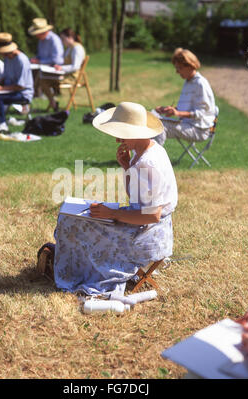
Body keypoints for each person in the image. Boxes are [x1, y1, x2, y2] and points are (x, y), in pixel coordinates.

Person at [37, 102, 178, 296]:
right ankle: (69, 263)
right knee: (72, 215)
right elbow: (136, 196)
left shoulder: (149, 163)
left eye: (121, 133)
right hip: (142, 225)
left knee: (75, 222)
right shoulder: (146, 151)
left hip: (147, 236)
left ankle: (70, 270)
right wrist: (127, 167)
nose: (117, 140)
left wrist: (112, 213)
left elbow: (153, 215)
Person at [154, 48, 217, 147]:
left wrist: (178, 113)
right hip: (187, 125)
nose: (177, 72)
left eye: (179, 68)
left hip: (199, 130)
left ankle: (153, 159)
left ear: (190, 65)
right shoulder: (188, 82)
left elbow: (202, 112)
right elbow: (184, 109)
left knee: (160, 127)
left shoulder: (200, 83)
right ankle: (140, 157)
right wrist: (168, 110)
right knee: (152, 120)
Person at [40, 28, 86, 111]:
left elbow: (75, 67)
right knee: (42, 78)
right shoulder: (69, 48)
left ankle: (53, 103)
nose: (62, 41)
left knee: (43, 80)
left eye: (63, 39)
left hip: (71, 77)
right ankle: (53, 102)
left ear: (69, 38)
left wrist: (61, 68)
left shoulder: (77, 48)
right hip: (65, 75)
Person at [28, 18, 64, 97]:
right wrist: (34, 59)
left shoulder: (54, 40)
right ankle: (34, 93)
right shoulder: (41, 41)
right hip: (42, 66)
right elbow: (40, 55)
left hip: (54, 68)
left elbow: (57, 59)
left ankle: (38, 93)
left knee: (36, 73)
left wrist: (40, 62)